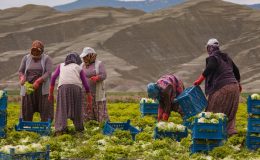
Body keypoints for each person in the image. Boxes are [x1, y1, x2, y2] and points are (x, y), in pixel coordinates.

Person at [193, 38, 241, 136]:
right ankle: (231, 136)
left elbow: (210, 67)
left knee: (211, 112)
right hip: (234, 88)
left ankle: (208, 137)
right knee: (230, 115)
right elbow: (236, 71)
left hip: (222, 88)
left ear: (210, 48)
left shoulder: (213, 57)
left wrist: (199, 80)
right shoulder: (226, 58)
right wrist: (238, 83)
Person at [49, 53, 92, 135]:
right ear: (77, 60)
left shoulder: (61, 65)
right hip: (76, 88)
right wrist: (89, 99)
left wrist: (50, 93)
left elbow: (53, 77)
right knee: (77, 109)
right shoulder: (79, 68)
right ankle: (79, 130)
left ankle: (60, 130)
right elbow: (86, 85)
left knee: (62, 109)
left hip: (63, 88)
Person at [18, 40, 53, 121]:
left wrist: (38, 81)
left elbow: (48, 73)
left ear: (42, 51)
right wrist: (22, 78)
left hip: (42, 89)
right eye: (33, 51)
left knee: (45, 110)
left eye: (38, 51)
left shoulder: (47, 59)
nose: (35, 53)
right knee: (27, 109)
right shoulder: (26, 58)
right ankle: (26, 127)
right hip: (29, 88)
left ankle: (44, 127)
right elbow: (20, 71)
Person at [80, 47, 109, 122]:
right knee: (86, 110)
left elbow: (104, 75)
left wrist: (97, 77)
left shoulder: (99, 64)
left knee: (98, 109)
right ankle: (88, 125)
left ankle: (101, 125)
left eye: (86, 56)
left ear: (91, 56)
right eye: (83, 57)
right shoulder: (82, 65)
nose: (84, 58)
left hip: (96, 93)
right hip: (84, 92)